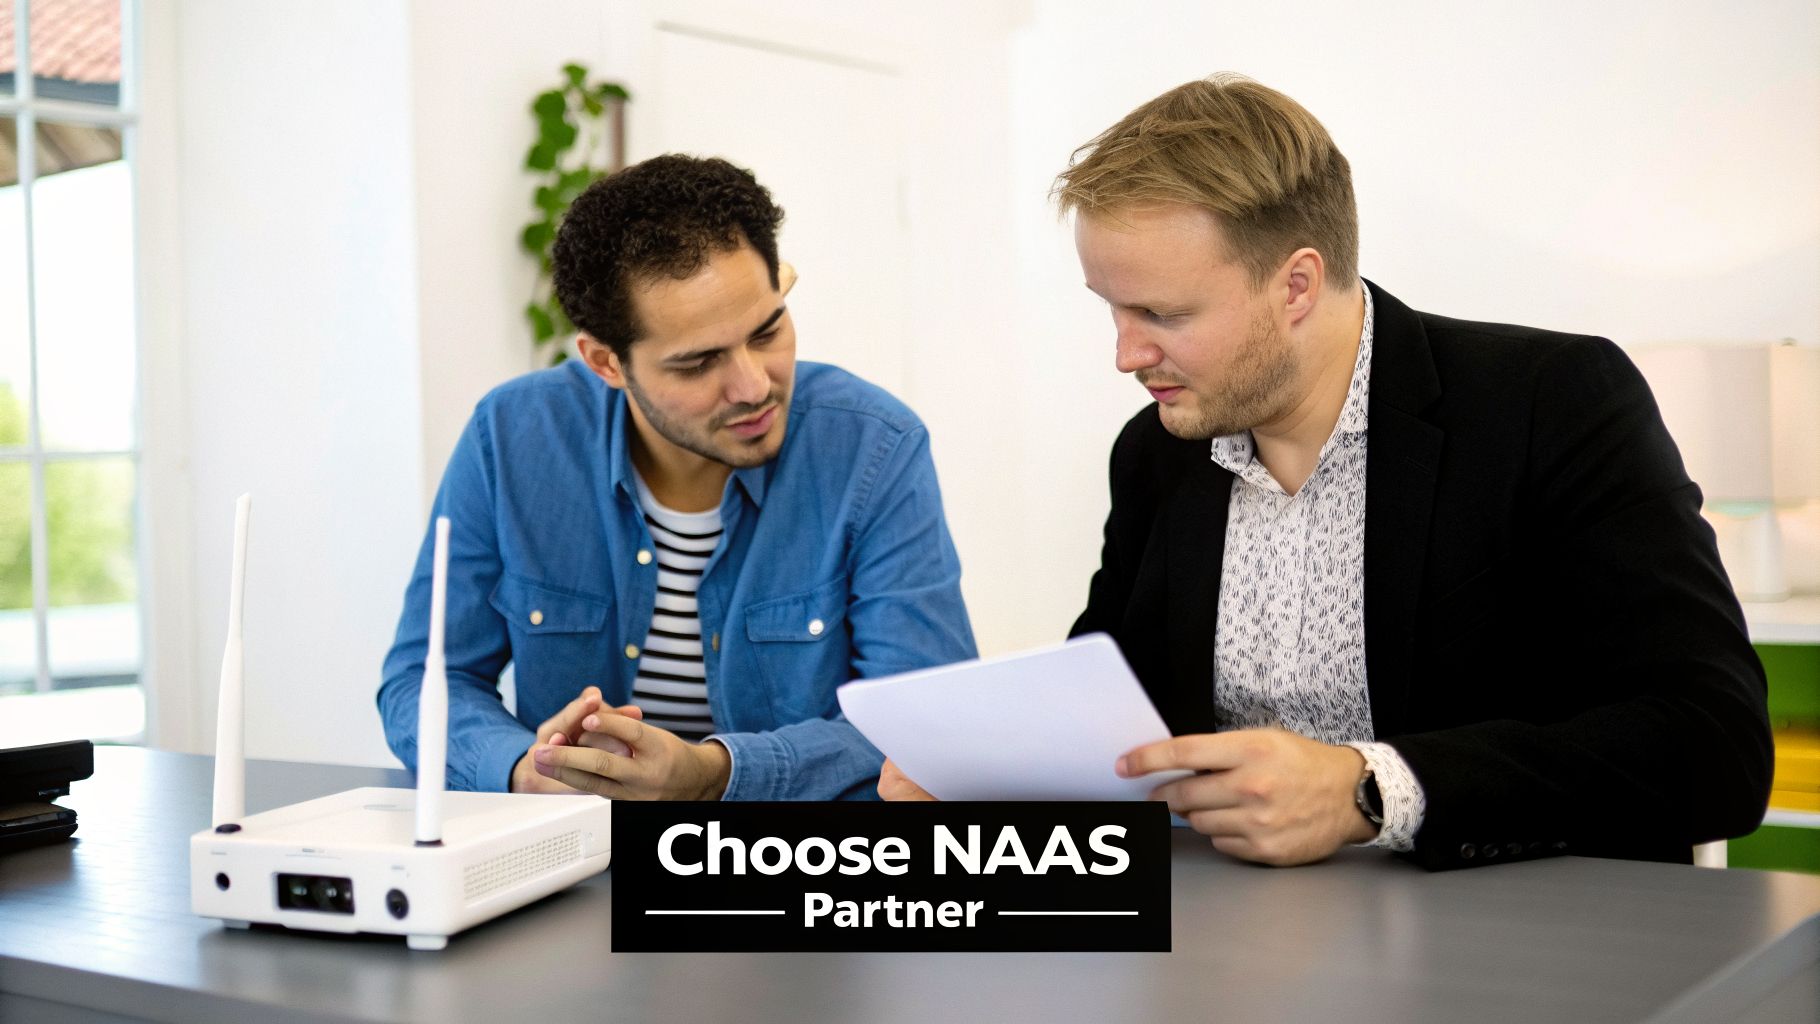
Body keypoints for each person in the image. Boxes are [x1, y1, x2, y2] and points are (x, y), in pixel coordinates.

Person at [882, 75, 1772, 870]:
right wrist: (994, 775)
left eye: (1160, 311)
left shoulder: (1553, 404)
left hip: (1515, 949)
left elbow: (1715, 747)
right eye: (1111, 308)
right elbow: (1112, 712)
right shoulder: (1156, 454)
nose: (1124, 354)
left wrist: (1367, 790)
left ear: (1297, 285)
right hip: (1233, 959)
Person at [380, 154, 976, 801]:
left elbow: (924, 720)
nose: (754, 386)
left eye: (768, 329)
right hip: (576, 864)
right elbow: (422, 679)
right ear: (606, 362)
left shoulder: (874, 447)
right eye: (698, 363)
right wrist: (526, 770)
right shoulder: (512, 437)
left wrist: (714, 774)